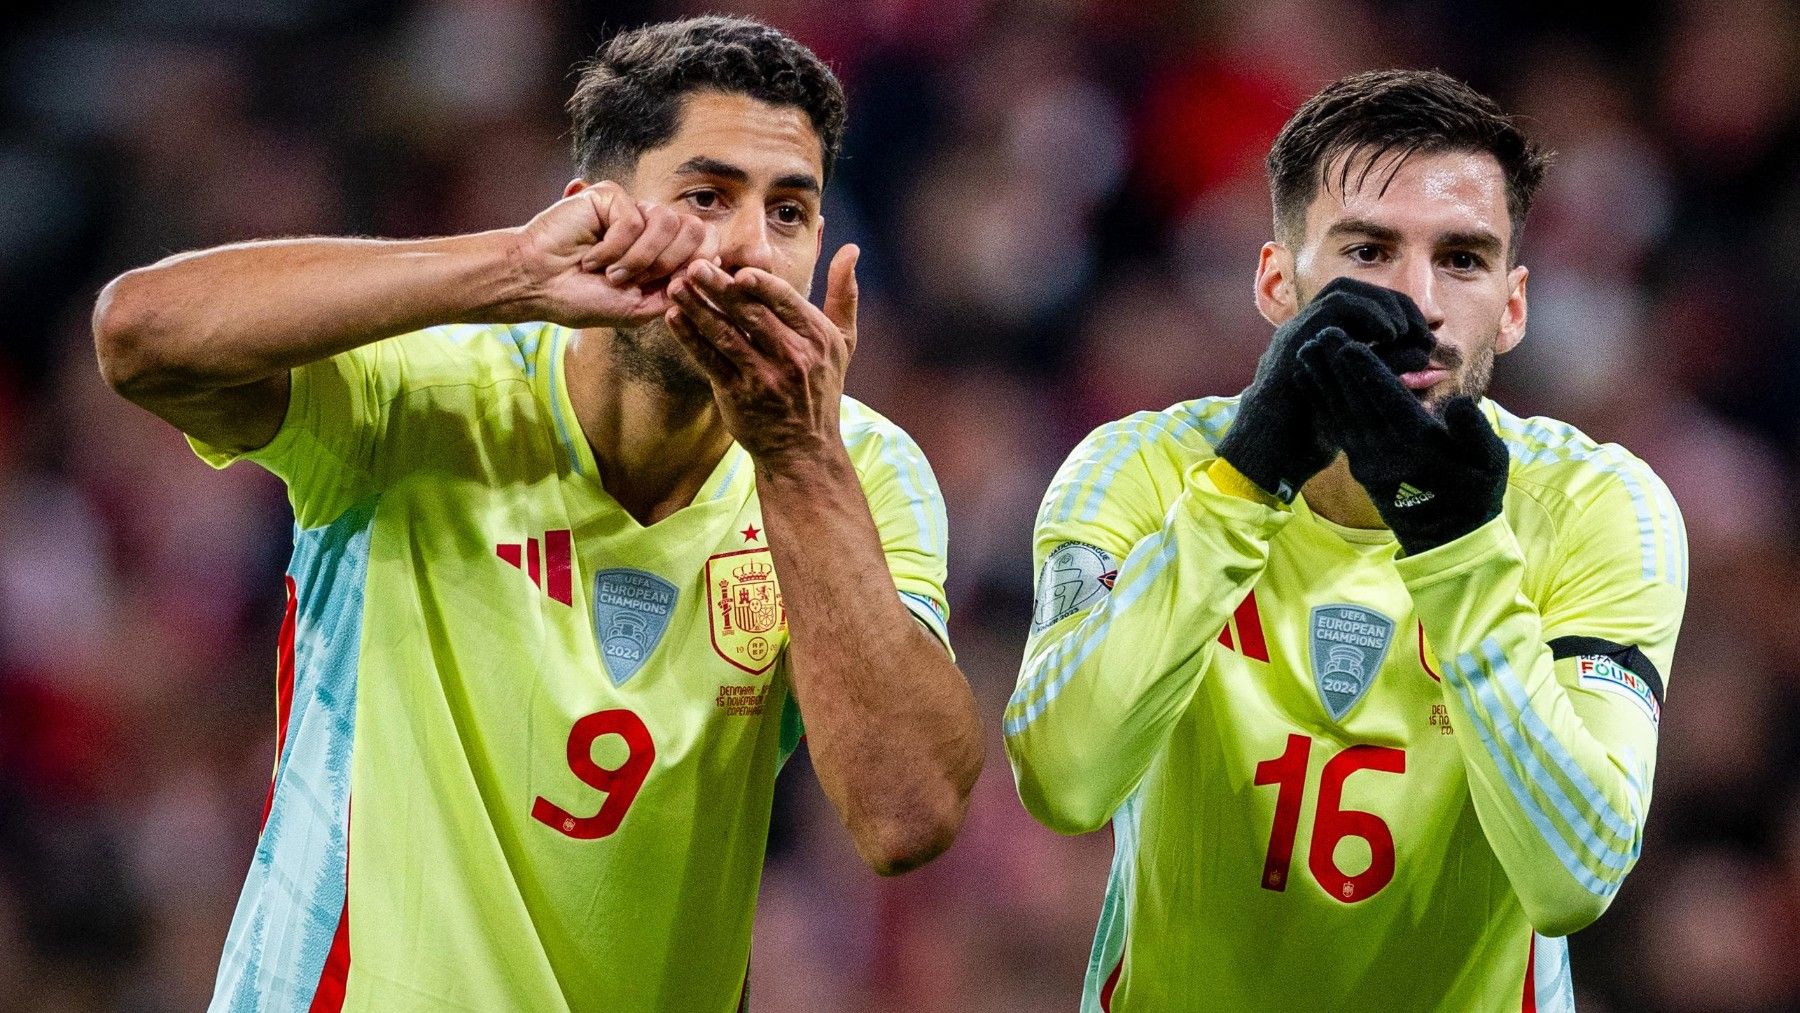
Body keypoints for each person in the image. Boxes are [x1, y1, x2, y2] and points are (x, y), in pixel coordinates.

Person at [92, 16, 982, 1012]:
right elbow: (138, 334)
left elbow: (906, 812)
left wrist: (797, 459)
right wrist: (512, 271)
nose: (748, 248)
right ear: (594, 216)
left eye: (789, 212)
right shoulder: (421, 389)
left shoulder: (855, 470)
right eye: (705, 197)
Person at [1005, 69, 1685, 1011]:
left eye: (1463, 258)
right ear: (1278, 282)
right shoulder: (1144, 471)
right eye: (1368, 250)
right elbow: (1063, 779)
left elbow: (1574, 877)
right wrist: (1243, 487)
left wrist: (1455, 546)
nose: (1415, 303)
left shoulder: (1598, 509)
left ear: (1514, 304)